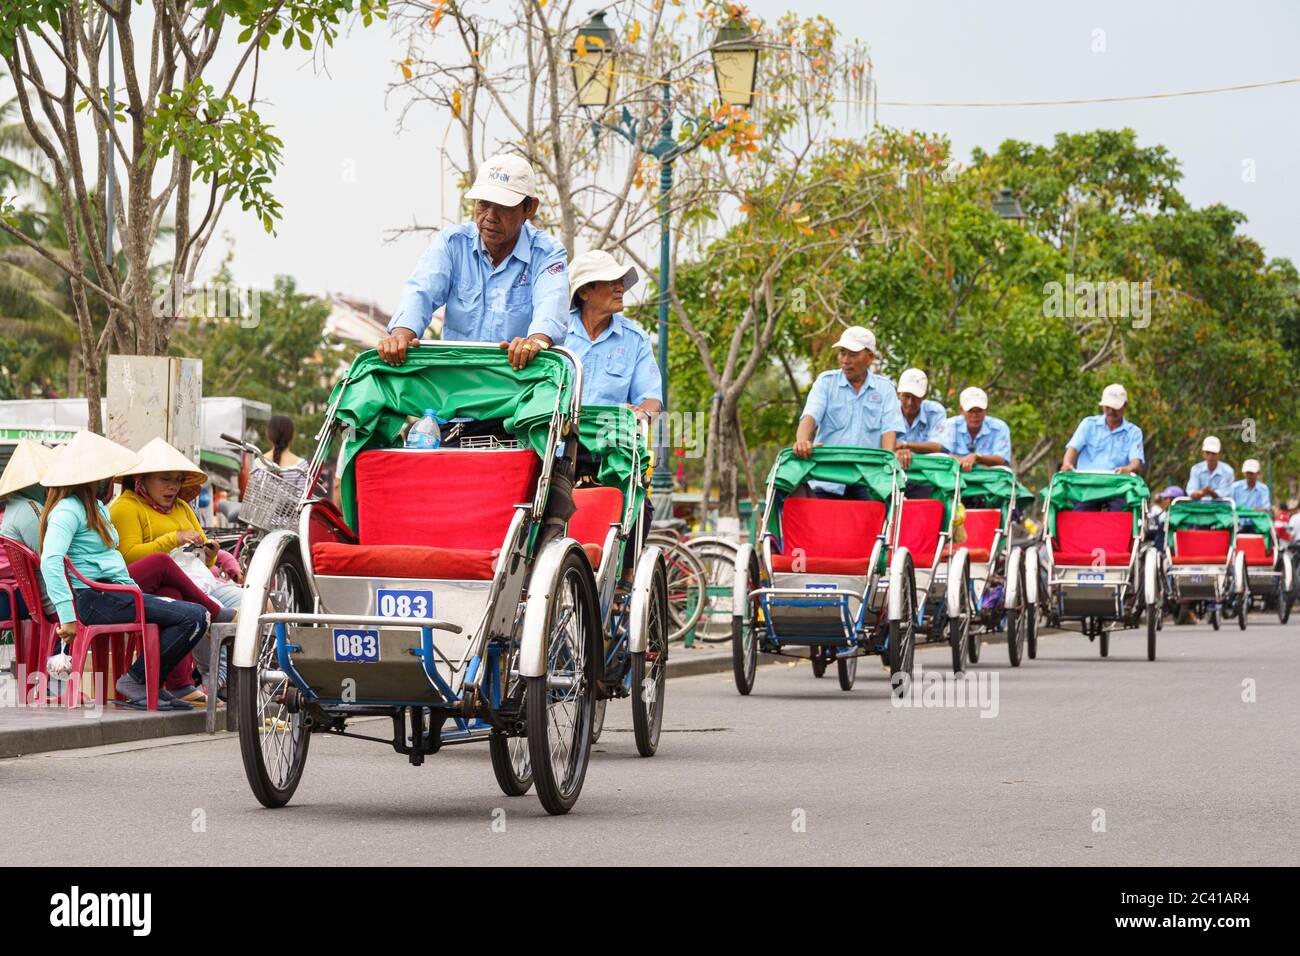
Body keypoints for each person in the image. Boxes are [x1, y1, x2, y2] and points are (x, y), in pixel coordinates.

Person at [38, 431, 209, 711]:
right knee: (196, 616)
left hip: (119, 594)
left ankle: (150, 682)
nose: (110, 480)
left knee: (192, 614)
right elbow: (50, 560)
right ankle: (137, 681)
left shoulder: (95, 507)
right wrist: (67, 617)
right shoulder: (68, 510)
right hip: (98, 599)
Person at [377, 153, 568, 371]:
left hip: (518, 383)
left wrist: (535, 341)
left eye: (504, 207)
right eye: (483, 204)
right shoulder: (452, 243)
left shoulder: (547, 254)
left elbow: (551, 305)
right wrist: (400, 336)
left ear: (529, 208)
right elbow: (421, 292)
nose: (490, 216)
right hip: (456, 383)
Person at [110, 438, 244, 703]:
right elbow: (127, 558)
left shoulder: (182, 507)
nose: (173, 486)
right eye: (165, 479)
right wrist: (172, 539)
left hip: (189, 583)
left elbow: (196, 565)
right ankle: (204, 670)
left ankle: (206, 682)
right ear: (143, 478)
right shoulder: (125, 507)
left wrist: (209, 554)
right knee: (171, 580)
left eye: (178, 480)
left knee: (239, 603)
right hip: (139, 583)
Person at [567, 250, 662, 590]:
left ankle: (623, 574)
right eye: (612, 282)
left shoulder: (634, 339)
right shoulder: (555, 332)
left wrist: (643, 413)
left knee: (641, 506)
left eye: (621, 281)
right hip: (559, 439)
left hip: (610, 441)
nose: (621, 287)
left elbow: (651, 398)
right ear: (585, 292)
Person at [793, 326, 906, 499]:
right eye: (842, 353)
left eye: (852, 355)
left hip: (868, 481)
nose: (845, 360)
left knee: (873, 523)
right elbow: (810, 416)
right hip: (828, 478)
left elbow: (889, 433)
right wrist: (802, 442)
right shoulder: (826, 383)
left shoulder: (885, 389)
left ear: (870, 357)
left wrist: (887, 465)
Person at [1060, 383, 1144, 511]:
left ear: (1125, 406)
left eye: (1115, 407)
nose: (1110, 411)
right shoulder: (1088, 424)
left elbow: (1136, 462)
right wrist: (1067, 464)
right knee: (1079, 514)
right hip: (1087, 485)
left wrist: (1128, 469)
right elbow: (1072, 449)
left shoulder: (1134, 432)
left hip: (1117, 486)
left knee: (1122, 515)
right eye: (1107, 407)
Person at [0, 439, 59, 620]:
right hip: (53, 602)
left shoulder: (17, 506)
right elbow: (51, 558)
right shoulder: (30, 510)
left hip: (40, 598)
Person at [936, 387, 1012, 472]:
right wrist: (963, 461)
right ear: (961, 410)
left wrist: (977, 457)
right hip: (953, 476)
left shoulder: (1000, 427)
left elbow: (1002, 459)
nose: (975, 415)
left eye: (979, 410)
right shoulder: (950, 425)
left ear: (986, 410)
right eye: (970, 410)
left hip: (989, 478)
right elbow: (941, 454)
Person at [892, 368, 946, 470]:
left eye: (915, 397)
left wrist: (903, 445)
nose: (910, 402)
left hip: (926, 471)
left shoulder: (936, 411)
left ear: (925, 395)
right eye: (906, 396)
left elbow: (937, 446)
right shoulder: (889, 410)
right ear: (898, 393)